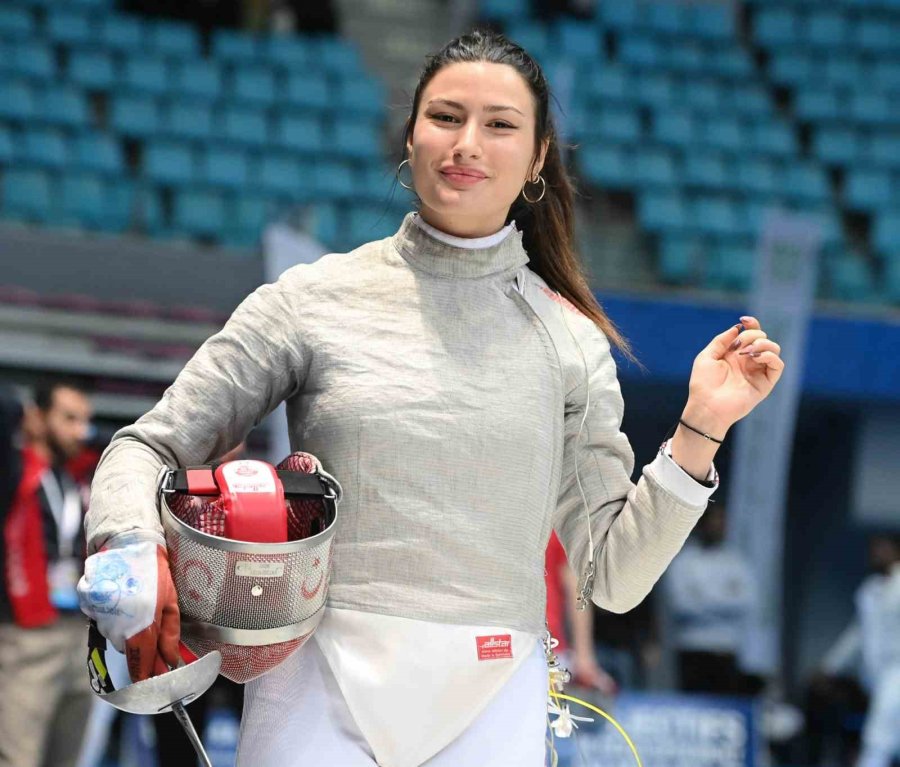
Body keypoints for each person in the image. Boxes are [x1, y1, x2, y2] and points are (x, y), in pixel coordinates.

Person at [77, 29, 785, 767]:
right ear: (408, 135)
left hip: (492, 697)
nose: (467, 143)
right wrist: (128, 540)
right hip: (315, 683)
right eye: (445, 117)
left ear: (538, 156)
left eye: (501, 124)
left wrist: (702, 425)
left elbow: (613, 575)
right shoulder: (314, 299)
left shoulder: (569, 341)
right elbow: (145, 445)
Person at [0, 380, 94, 767]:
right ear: (36, 418)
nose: (80, 431)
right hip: (26, 637)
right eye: (68, 418)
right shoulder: (12, 470)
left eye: (84, 420)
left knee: (65, 759)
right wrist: (18, 414)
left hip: (78, 634)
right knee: (17, 758)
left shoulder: (74, 477)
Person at [662, 503, 764, 697]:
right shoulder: (683, 561)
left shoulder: (736, 562)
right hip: (692, 649)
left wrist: (703, 597)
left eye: (722, 522)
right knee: (695, 709)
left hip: (728, 649)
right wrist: (726, 598)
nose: (718, 527)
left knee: (725, 708)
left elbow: (747, 602)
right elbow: (681, 606)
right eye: (713, 522)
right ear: (701, 524)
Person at [816, 534, 900, 767]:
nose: (875, 554)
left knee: (877, 736)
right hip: (877, 674)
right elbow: (857, 635)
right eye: (873, 549)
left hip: (898, 670)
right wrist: (830, 666)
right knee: (890, 737)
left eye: (881, 548)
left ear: (896, 551)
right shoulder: (869, 590)